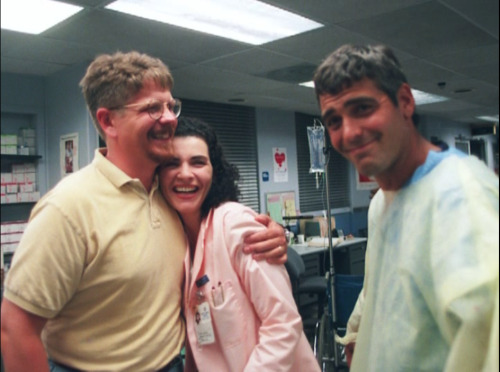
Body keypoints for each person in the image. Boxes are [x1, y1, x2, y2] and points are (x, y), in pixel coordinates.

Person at [0, 51, 287, 372]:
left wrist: (274, 234)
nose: (169, 118)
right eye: (152, 108)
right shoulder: (67, 208)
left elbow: (215, 240)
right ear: (108, 121)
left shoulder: (169, 194)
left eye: (170, 105)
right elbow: (16, 329)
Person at [313, 44, 499, 371]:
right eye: (334, 121)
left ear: (405, 101)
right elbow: (379, 294)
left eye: (362, 108)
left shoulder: (460, 195)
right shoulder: (382, 203)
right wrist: (358, 334)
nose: (349, 132)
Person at [159, 117, 320, 372]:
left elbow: (283, 323)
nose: (186, 174)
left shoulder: (234, 224)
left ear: (215, 171)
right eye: (172, 163)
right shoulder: (173, 236)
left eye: (198, 162)